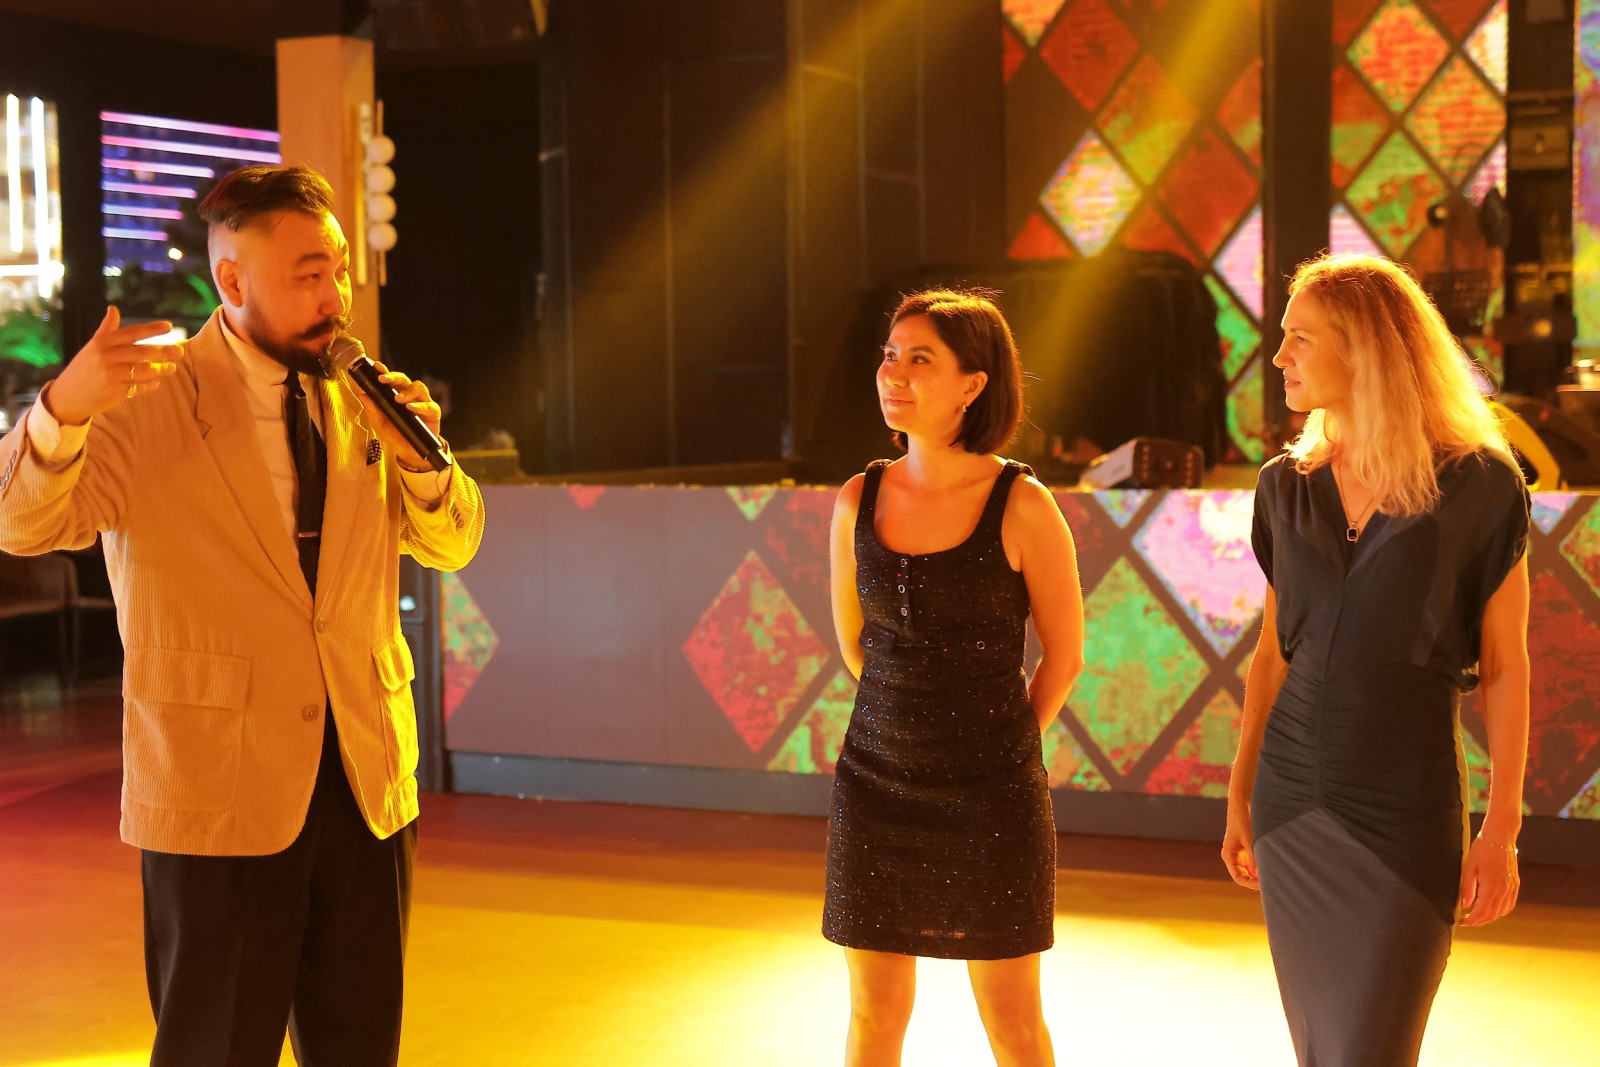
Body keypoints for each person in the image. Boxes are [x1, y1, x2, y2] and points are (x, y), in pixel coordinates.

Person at [0, 164, 485, 1066]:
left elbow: (455, 542)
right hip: (215, 786)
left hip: (365, 780)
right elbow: (21, 523)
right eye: (309, 275)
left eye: (339, 270)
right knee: (214, 1049)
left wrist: (424, 462)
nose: (335, 296)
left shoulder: (364, 393)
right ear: (231, 278)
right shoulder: (146, 399)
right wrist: (60, 410)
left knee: (361, 1046)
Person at [1223, 253, 1530, 1066]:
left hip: (1405, 807)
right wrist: (1239, 791)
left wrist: (1501, 826)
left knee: (1372, 1048)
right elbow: (1271, 655)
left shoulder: (1481, 485)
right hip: (1290, 803)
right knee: (1321, 1050)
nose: (1279, 356)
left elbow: (1507, 666)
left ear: (1363, 345)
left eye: (1300, 337)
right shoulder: (1284, 487)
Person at [824, 289, 1085, 1067]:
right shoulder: (857, 498)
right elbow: (857, 646)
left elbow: (1066, 655)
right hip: (874, 788)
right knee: (873, 1014)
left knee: (1013, 1024)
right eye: (889, 355)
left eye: (919, 359)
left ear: (973, 383)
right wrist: (906, 727)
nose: (892, 373)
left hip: (994, 799)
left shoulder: (1023, 504)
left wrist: (1001, 747)